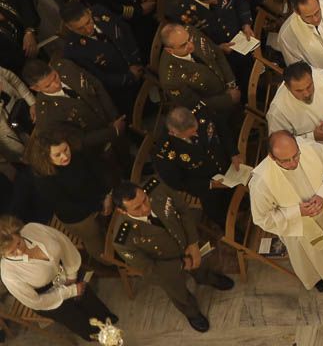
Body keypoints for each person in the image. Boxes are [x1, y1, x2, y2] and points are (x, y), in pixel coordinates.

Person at [111, 178, 235, 332]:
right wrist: (182, 264)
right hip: (166, 266)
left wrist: (193, 242)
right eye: (137, 208)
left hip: (185, 242)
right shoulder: (124, 240)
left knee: (200, 264)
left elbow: (183, 209)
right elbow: (150, 269)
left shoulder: (156, 188)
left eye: (145, 200)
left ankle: (206, 277)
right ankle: (192, 313)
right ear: (122, 211)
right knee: (178, 292)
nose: (146, 208)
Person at [250, 130, 323, 292]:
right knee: (310, 258)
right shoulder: (261, 181)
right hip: (298, 229)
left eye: (296, 156)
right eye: (286, 161)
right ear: (272, 157)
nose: (293, 163)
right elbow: (262, 219)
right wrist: (297, 212)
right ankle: (317, 279)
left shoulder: (310, 149)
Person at [0, 216, 116, 341]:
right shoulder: (9, 274)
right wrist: (71, 291)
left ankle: (107, 322)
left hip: (66, 272)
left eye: (19, 243)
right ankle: (102, 338)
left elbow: (63, 243)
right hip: (48, 298)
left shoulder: (33, 229)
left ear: (18, 232)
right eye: (12, 252)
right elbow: (36, 302)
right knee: (77, 319)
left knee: (89, 299)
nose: (19, 251)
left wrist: (72, 275)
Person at [25, 127, 113, 260]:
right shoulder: (44, 179)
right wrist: (100, 206)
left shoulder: (77, 153)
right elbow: (68, 206)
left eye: (65, 149)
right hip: (78, 216)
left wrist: (107, 194)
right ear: (46, 157)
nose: (65, 156)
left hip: (96, 198)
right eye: (57, 155)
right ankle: (109, 263)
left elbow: (96, 171)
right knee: (96, 239)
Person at [152, 104, 241, 224]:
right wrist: (210, 184)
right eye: (190, 135)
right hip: (204, 184)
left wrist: (233, 152)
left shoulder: (201, 110)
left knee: (240, 197)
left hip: (225, 165)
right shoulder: (164, 153)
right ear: (173, 133)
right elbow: (178, 182)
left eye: (196, 129)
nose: (196, 135)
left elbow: (221, 126)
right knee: (218, 213)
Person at [24, 58, 125, 162]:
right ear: (36, 88)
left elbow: (96, 85)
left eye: (55, 77)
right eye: (48, 86)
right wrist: (113, 132)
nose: (56, 84)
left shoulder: (65, 67)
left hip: (114, 120)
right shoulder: (46, 115)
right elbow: (77, 140)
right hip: (99, 148)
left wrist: (114, 117)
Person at [60, 1, 143, 113]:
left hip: (138, 64)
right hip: (122, 89)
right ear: (69, 27)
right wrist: (129, 77)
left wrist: (135, 61)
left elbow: (125, 30)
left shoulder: (100, 12)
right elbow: (99, 79)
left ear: (89, 12)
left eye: (88, 22)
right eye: (80, 29)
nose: (88, 29)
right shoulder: (73, 51)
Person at [158, 23, 242, 120]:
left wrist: (230, 82)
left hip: (226, 83)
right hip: (214, 109)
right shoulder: (171, 79)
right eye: (183, 45)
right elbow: (195, 104)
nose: (190, 45)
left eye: (189, 39)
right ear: (170, 51)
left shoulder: (191, 31)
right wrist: (228, 99)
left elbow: (217, 53)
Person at [267, 62, 323, 157]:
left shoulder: (320, 76)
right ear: (287, 87)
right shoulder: (277, 111)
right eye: (299, 91)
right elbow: (279, 144)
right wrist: (313, 136)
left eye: (309, 86)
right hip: (313, 154)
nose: (306, 94)